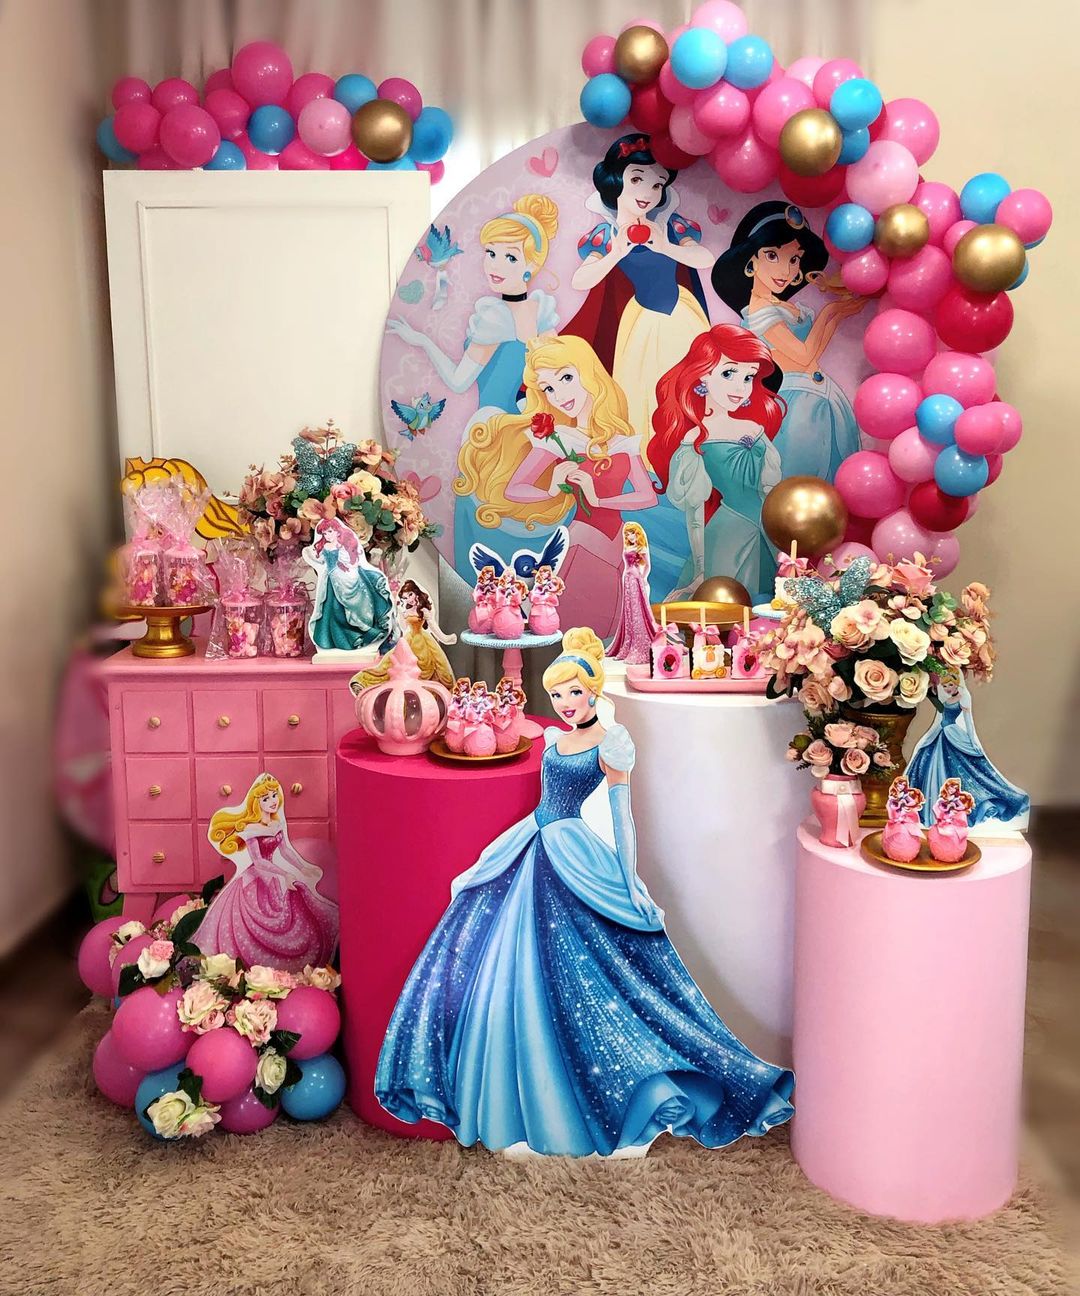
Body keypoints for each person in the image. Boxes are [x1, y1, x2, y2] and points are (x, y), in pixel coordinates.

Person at [376, 628, 795, 1157]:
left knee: (589, 967)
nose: (565, 702)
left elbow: (623, 817)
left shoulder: (611, 744)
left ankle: (629, 1082)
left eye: (573, 691)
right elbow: (538, 794)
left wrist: (628, 878)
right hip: (535, 838)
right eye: (557, 694)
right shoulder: (555, 740)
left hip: (573, 849)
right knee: (499, 944)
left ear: (593, 689)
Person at [385, 195, 561, 572]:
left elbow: (459, 380)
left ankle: (497, 594)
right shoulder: (540, 313)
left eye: (510, 257)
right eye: (491, 253)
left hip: (491, 429)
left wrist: (423, 341)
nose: (495, 265)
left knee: (486, 514)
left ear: (531, 265)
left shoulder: (494, 318)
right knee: (523, 511)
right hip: (531, 427)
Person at [456, 334, 656, 636]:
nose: (559, 394)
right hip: (584, 544)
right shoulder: (560, 439)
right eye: (548, 388)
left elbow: (647, 496)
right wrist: (551, 488)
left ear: (588, 373)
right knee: (582, 628)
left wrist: (598, 499)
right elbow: (514, 488)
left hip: (618, 548)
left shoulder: (621, 439)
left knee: (612, 631)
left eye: (566, 378)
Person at [711, 201, 866, 482]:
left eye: (794, 259)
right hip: (796, 403)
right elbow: (803, 355)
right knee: (799, 477)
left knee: (834, 478)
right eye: (772, 255)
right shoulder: (759, 311)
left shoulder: (783, 306)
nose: (785, 270)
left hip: (823, 396)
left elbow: (814, 352)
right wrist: (830, 312)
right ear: (750, 261)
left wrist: (839, 311)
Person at [650, 324, 785, 601]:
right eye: (728, 373)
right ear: (703, 375)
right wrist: (700, 569)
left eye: (748, 377)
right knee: (725, 608)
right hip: (729, 536)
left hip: (769, 532)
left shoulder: (755, 429)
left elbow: (771, 491)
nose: (740, 387)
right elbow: (695, 514)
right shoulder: (695, 438)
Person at [197, 774, 338, 972]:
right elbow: (259, 861)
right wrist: (283, 874)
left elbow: (286, 851)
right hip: (257, 878)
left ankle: (295, 961)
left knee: (300, 903)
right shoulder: (251, 830)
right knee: (252, 923)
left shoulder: (277, 824)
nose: (272, 801)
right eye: (266, 799)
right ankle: (250, 963)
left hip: (276, 874)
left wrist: (302, 867)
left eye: (274, 796)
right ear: (257, 803)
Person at [906, 673, 1030, 829]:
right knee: (930, 764)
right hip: (942, 734)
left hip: (954, 734)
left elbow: (968, 721)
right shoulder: (945, 700)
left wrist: (973, 740)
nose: (948, 688)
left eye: (950, 685)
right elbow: (939, 720)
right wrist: (927, 738)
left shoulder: (963, 698)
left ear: (957, 684)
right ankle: (934, 811)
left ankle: (981, 803)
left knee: (964, 768)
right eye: (945, 686)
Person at [302, 517, 396, 654]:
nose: (327, 536)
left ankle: (363, 630)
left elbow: (351, 561)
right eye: (324, 533)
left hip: (345, 578)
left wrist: (345, 564)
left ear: (337, 531)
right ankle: (343, 637)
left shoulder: (342, 546)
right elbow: (319, 560)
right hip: (332, 582)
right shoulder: (325, 547)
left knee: (356, 603)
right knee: (334, 609)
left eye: (330, 532)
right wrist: (308, 553)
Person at [350, 579, 456, 691]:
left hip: (422, 641)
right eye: (406, 597)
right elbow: (403, 627)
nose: (409, 599)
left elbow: (433, 627)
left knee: (431, 665)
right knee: (389, 660)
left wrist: (446, 639)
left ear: (416, 593)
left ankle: (429, 693)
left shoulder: (423, 610)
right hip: (408, 640)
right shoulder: (407, 611)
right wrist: (400, 612)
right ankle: (364, 682)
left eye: (410, 594)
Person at [607, 522, 660, 664]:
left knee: (637, 609)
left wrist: (643, 577)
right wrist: (625, 577)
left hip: (635, 578)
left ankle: (639, 642)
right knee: (628, 609)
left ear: (637, 534)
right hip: (627, 578)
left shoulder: (641, 547)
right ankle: (627, 641)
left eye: (632, 533)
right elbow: (627, 565)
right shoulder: (628, 547)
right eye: (627, 534)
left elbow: (648, 565)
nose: (630, 536)